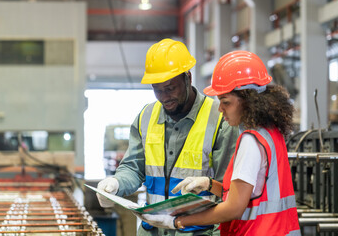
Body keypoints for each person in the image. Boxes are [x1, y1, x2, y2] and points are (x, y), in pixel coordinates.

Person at [138, 50, 301, 235]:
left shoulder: (251, 141)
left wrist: (178, 221)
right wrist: (209, 184)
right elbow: (248, 193)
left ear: (249, 100)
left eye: (226, 102)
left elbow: (234, 208)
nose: (220, 109)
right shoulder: (270, 133)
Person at [96, 38, 239, 236]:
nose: (164, 97)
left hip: (197, 232)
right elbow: (133, 167)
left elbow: (228, 189)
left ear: (187, 77)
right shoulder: (145, 117)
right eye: (157, 89)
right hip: (152, 230)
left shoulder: (220, 118)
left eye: (170, 88)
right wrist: (117, 183)